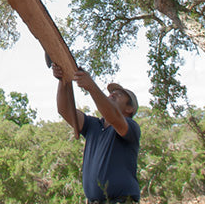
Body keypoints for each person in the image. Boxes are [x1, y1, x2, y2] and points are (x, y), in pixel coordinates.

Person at [51, 62, 141, 204]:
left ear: (130, 109)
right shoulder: (93, 125)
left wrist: (91, 86)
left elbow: (114, 116)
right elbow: (65, 110)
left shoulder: (131, 127)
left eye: (119, 94)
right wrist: (63, 80)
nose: (112, 94)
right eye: (111, 93)